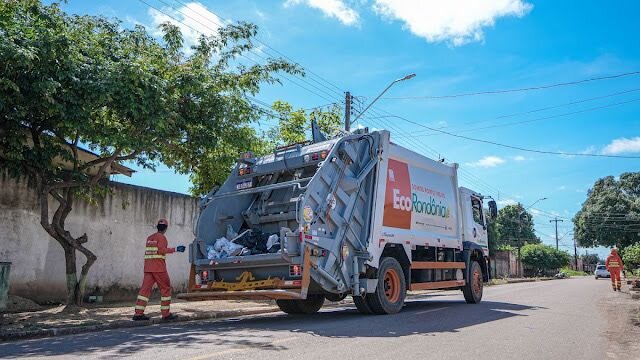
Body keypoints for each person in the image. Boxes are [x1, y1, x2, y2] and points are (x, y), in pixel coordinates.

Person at [133, 219, 186, 321]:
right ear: (165, 228)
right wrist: (175, 249)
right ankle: (166, 314)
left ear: (157, 227)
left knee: (145, 290)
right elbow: (161, 250)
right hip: (159, 268)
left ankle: (138, 313)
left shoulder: (149, 238)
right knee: (165, 289)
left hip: (148, 268)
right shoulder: (162, 238)